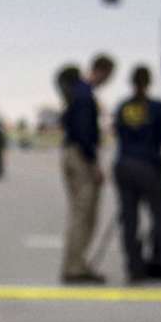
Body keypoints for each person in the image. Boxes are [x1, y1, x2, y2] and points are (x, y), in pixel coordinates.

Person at [111, 64, 161, 281]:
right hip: (147, 166)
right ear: (148, 82)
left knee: (129, 221)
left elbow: (117, 132)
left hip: (124, 165)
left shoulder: (123, 107)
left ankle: (134, 268)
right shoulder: (156, 108)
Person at [59, 53, 114, 282]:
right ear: (101, 71)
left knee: (80, 213)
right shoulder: (84, 95)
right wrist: (93, 164)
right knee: (84, 213)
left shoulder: (78, 93)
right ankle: (74, 267)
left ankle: (77, 262)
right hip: (80, 156)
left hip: (72, 153)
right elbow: (83, 133)